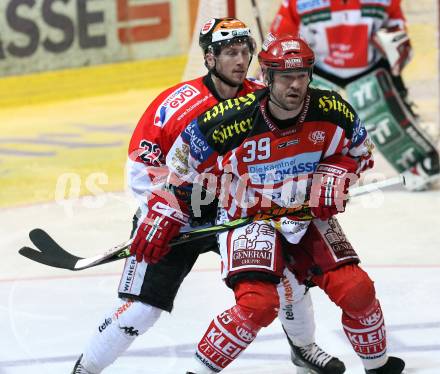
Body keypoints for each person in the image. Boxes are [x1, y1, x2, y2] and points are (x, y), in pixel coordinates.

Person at [72, 18, 344, 374]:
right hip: (176, 213)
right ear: (210, 58)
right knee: (141, 309)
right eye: (230, 52)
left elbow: (294, 142)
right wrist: (162, 210)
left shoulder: (261, 96)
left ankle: (303, 348)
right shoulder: (178, 103)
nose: (240, 60)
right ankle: (85, 368)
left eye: (245, 51)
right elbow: (142, 159)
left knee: (290, 278)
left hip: (234, 211)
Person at [137, 34, 406, 373]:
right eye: (285, 77)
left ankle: (379, 368)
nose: (295, 85)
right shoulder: (227, 121)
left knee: (357, 290)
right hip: (249, 219)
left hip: (305, 215)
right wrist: (165, 208)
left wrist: (337, 173)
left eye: (302, 75)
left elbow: (361, 153)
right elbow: (178, 166)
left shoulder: (332, 109)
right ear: (266, 76)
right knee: (257, 305)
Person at [270, 0, 439, 191]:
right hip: (319, 70)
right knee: (309, 121)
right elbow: (279, 38)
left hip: (369, 68)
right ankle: (304, 176)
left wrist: (396, 44)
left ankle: (421, 163)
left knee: (382, 114)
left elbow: (397, 31)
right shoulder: (296, 2)